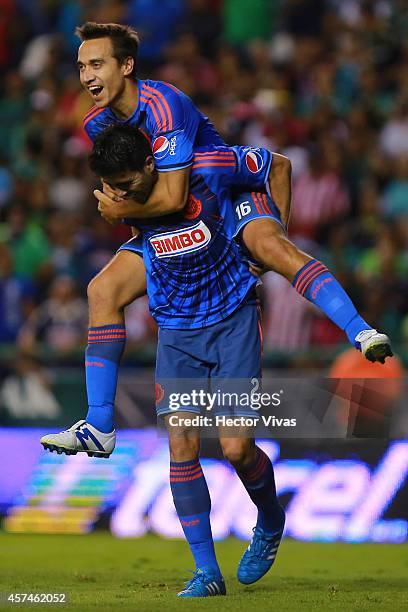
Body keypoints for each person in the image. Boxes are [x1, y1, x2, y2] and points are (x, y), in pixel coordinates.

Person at [42, 125, 393, 597]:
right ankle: (207, 573)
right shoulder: (118, 194)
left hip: (232, 322)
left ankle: (270, 518)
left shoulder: (210, 167)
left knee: (235, 449)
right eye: (114, 188)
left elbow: (279, 165)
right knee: (181, 446)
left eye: (127, 185)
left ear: (151, 165)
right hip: (176, 333)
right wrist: (122, 201)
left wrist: (272, 233)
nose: (120, 196)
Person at [75, 22, 391, 366]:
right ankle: (98, 419)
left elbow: (176, 195)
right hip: (176, 219)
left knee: (272, 248)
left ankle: (360, 330)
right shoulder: (96, 124)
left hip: (223, 195)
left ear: (126, 66)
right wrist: (130, 215)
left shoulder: (165, 105)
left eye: (96, 64)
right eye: (81, 67)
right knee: (102, 290)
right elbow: (131, 190)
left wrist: (273, 232)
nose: (87, 76)